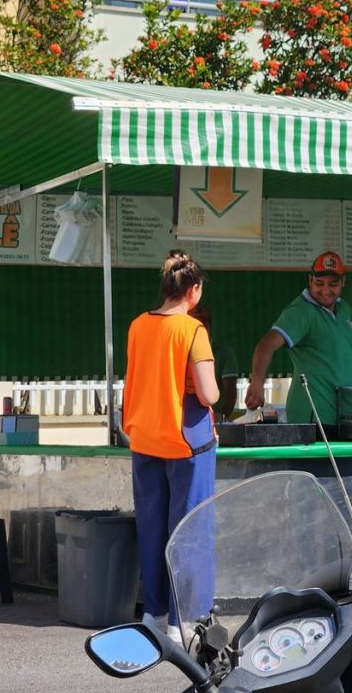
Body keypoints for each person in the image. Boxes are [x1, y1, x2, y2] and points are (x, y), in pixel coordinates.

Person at [121, 250, 218, 645]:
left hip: (144, 436)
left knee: (152, 527)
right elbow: (210, 393)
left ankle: (154, 614)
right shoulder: (193, 330)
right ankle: (183, 620)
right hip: (187, 441)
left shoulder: (137, 326)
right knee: (189, 531)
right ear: (193, 291)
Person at [245, 251, 352, 428]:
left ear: (343, 282)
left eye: (333, 284)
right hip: (313, 418)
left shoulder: (344, 309)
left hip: (344, 415)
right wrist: (257, 382)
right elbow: (266, 344)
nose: (325, 290)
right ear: (310, 280)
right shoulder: (301, 312)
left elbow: (347, 357)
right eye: (319, 283)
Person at [189, 304, 239, 421]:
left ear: (208, 326)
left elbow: (230, 393)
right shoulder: (179, 351)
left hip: (211, 421)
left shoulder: (224, 353)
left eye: (202, 323)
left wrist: (221, 417)